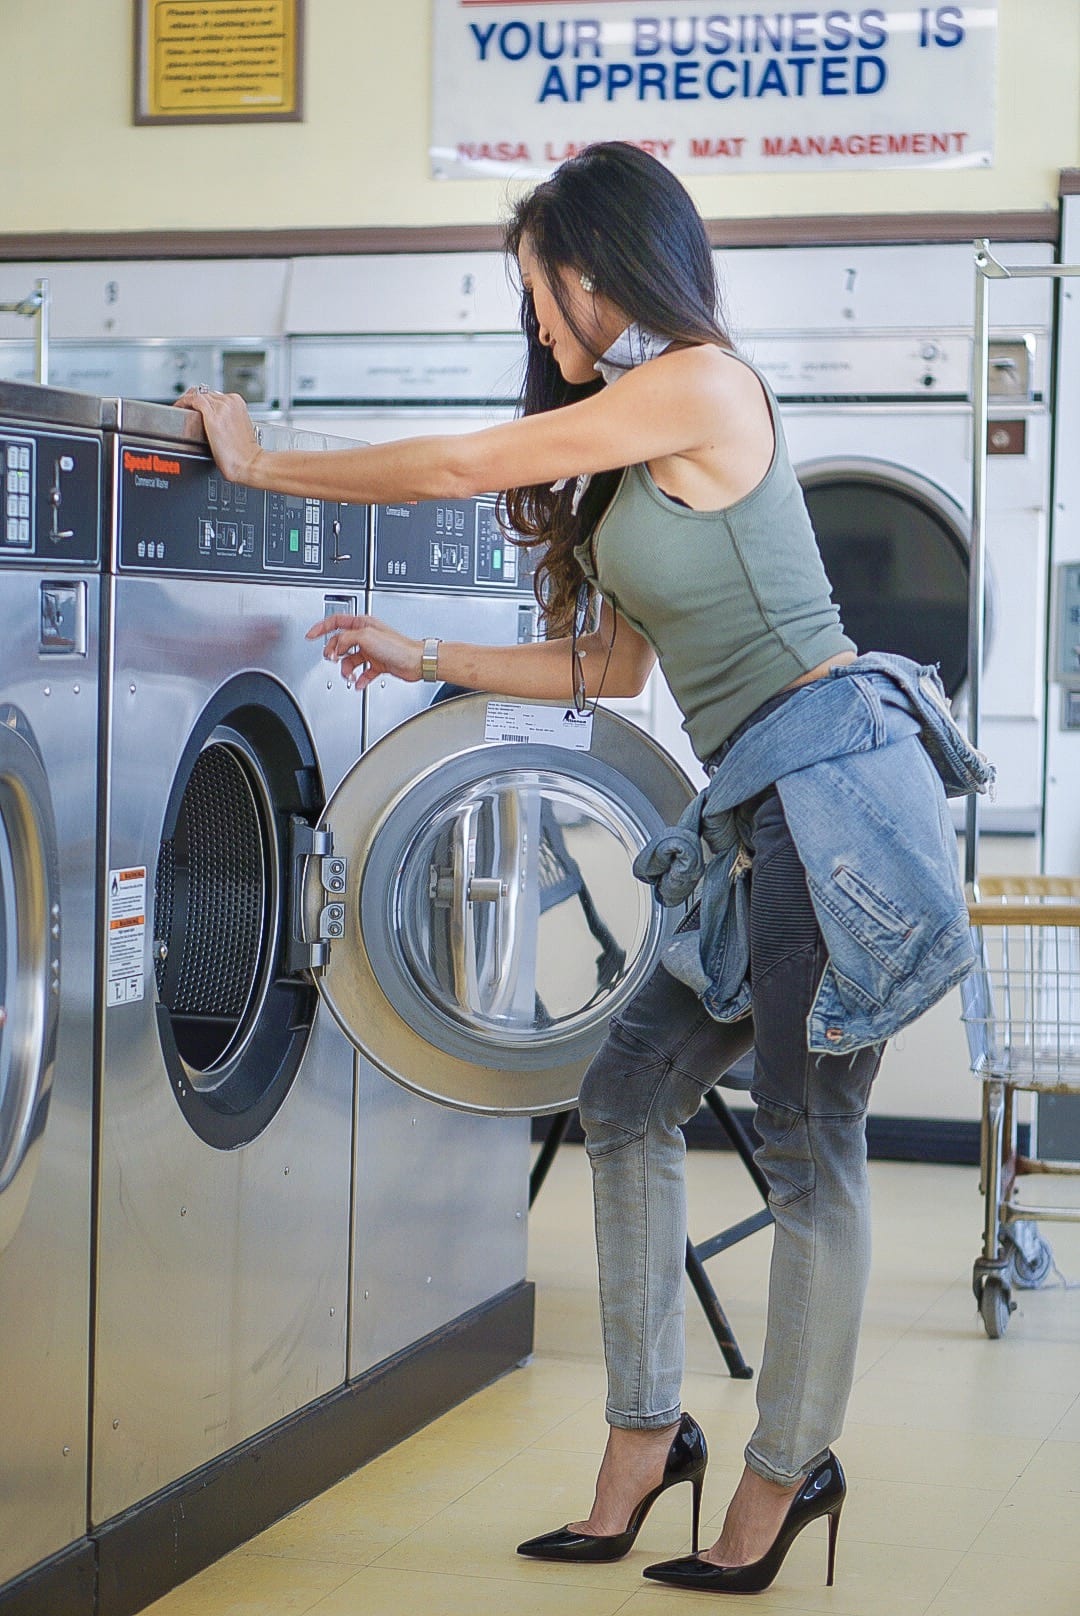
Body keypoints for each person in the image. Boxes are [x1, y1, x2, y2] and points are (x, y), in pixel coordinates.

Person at [176, 140, 988, 1595]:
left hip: (835, 802)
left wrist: (263, 457)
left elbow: (471, 461)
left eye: (541, 293)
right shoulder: (626, 450)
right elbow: (608, 667)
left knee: (808, 1148)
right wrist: (418, 655)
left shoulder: (700, 382)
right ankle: (646, 1438)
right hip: (759, 815)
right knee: (623, 1095)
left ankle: (783, 1472)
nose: (536, 327)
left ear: (604, 266)